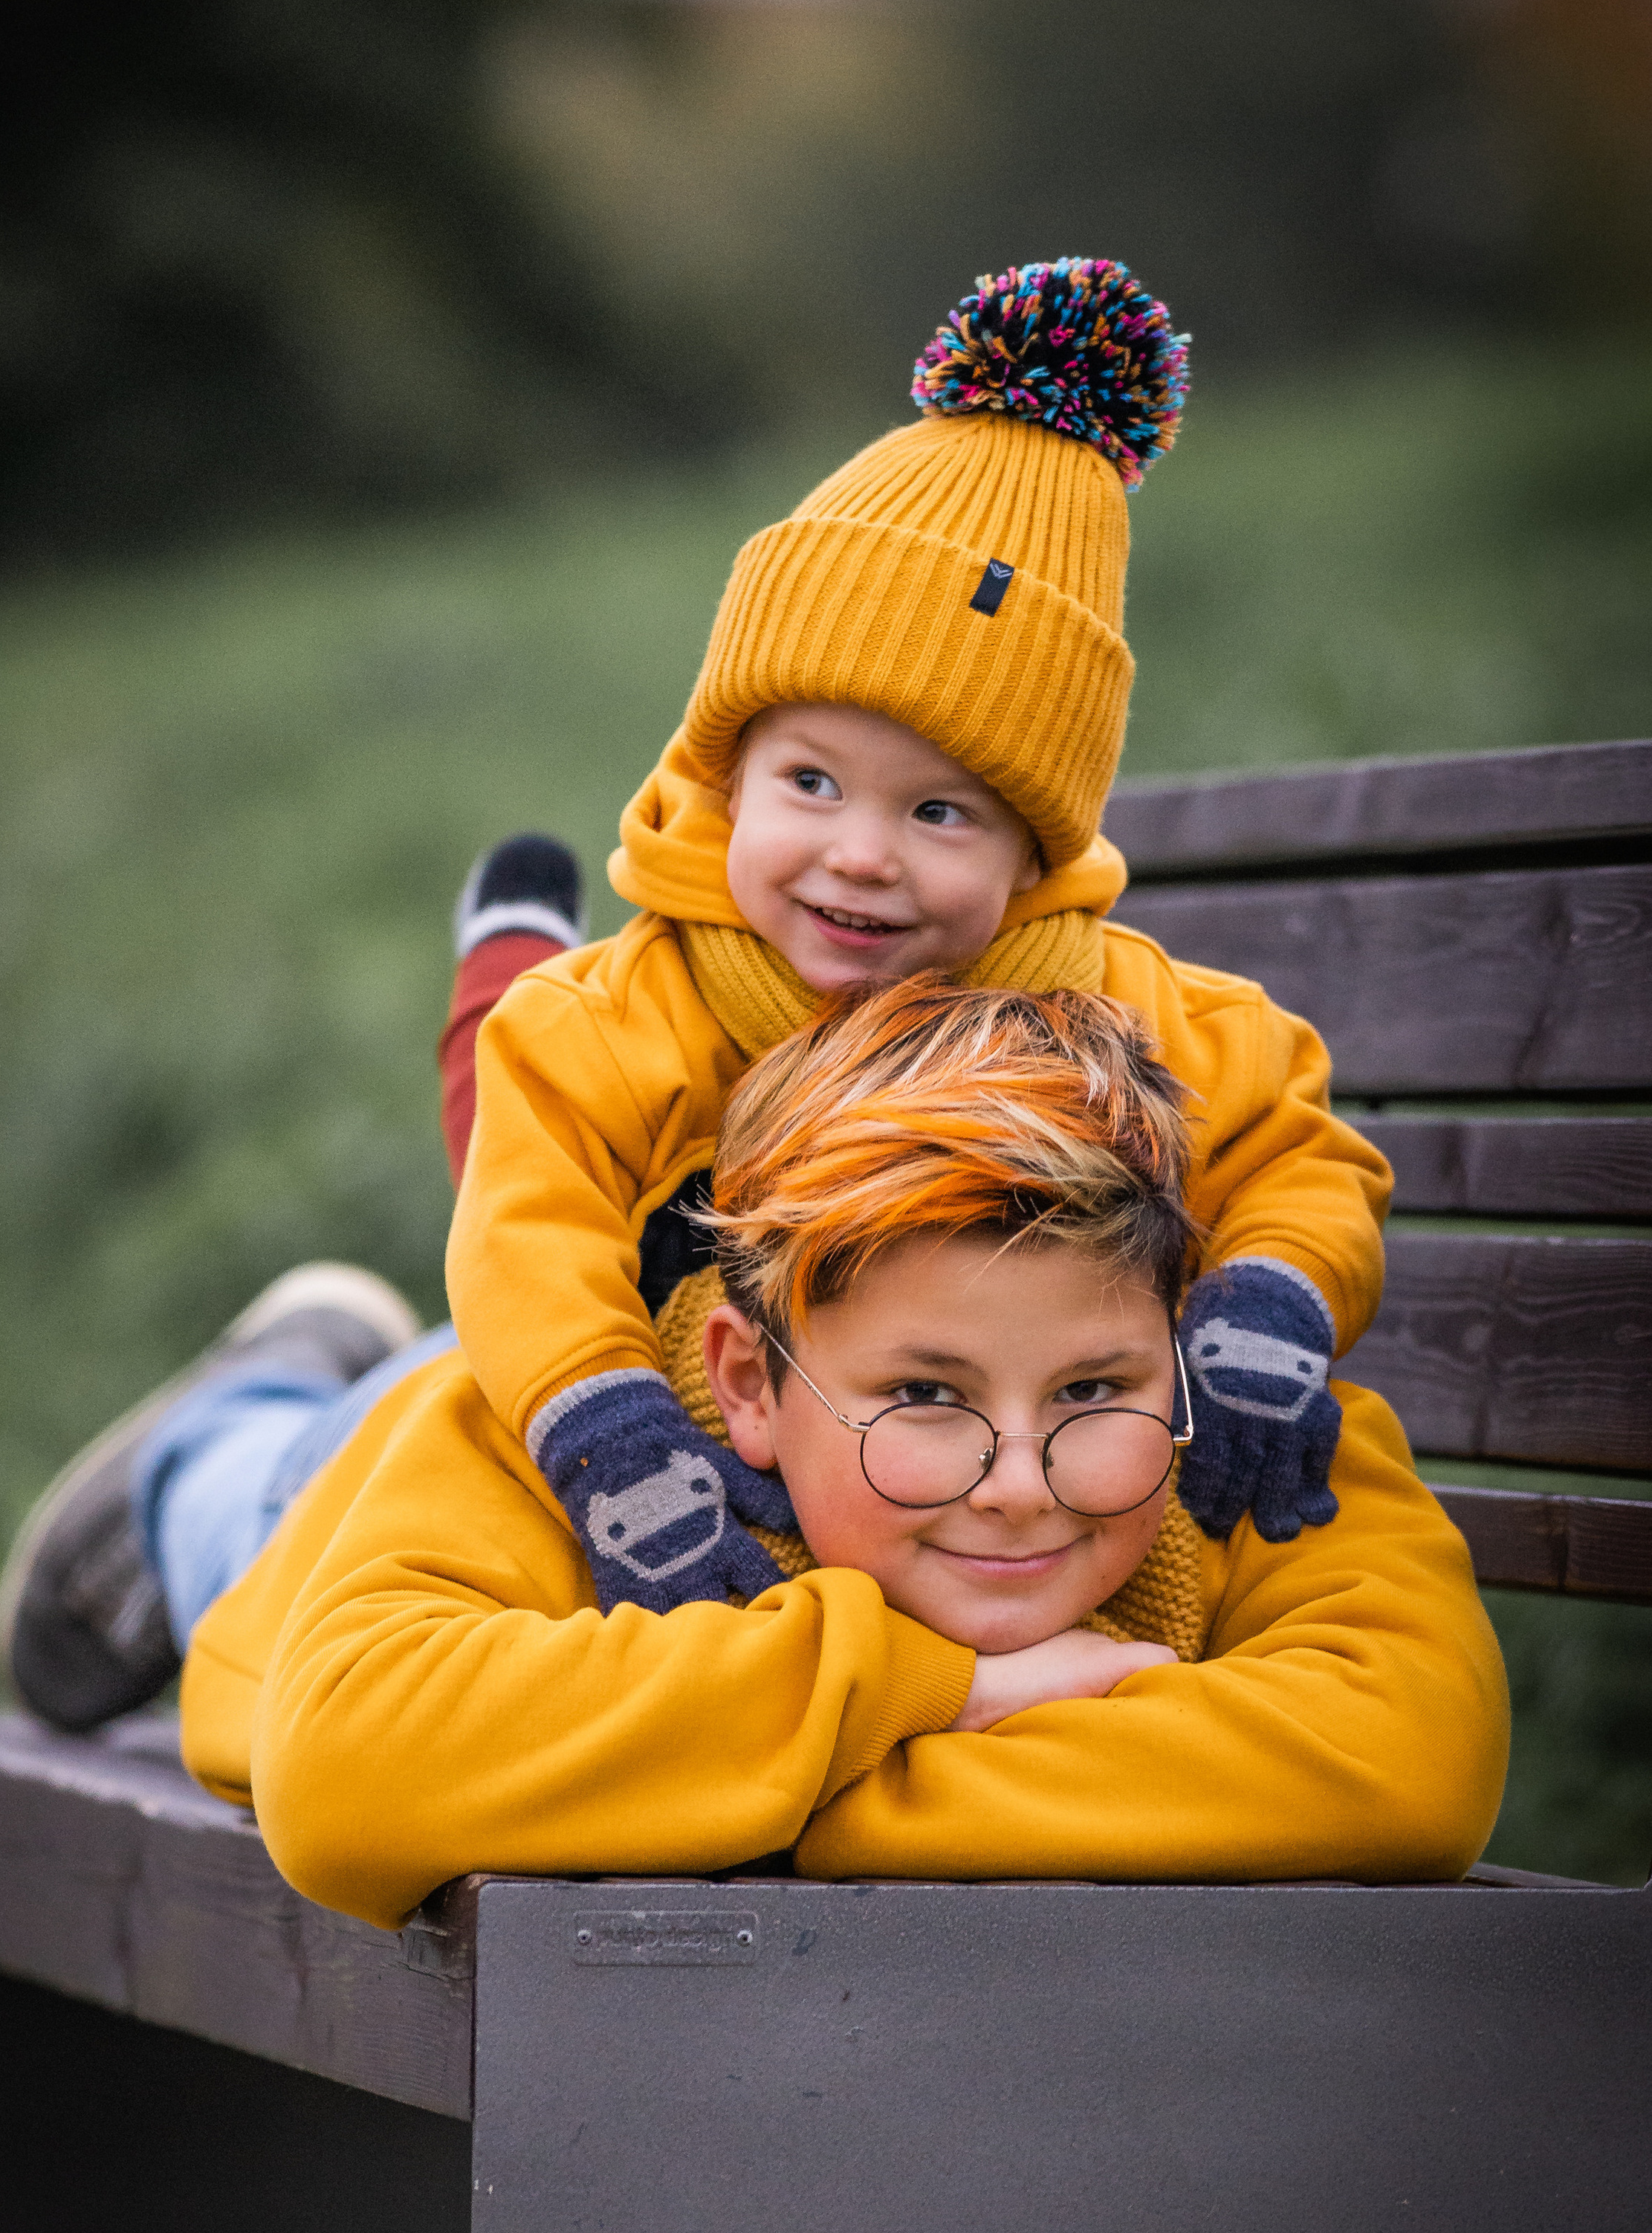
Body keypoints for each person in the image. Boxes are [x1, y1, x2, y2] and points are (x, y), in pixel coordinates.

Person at [438, 257, 1393, 1638]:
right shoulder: (610, 1023)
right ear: (727, 779)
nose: (863, 853)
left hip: (922, 1495)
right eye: (812, 783)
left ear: (1033, 852)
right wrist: (614, 1438)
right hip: (675, 1413)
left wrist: (1274, 1300)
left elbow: (1301, 1157)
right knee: (476, 1140)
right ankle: (230, 1450)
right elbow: (525, 1240)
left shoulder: (1139, 1022)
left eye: (939, 810)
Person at [158, 980, 1505, 1928]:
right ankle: (253, 1385)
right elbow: (350, 1776)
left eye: (1094, 1387)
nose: (1022, 1484)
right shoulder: (586, 1448)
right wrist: (940, 1684)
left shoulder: (1234, 1437)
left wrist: (813, 1782)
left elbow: (1412, 1760)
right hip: (296, 1515)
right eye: (927, 1393)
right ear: (750, 1386)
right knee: (228, 1474)